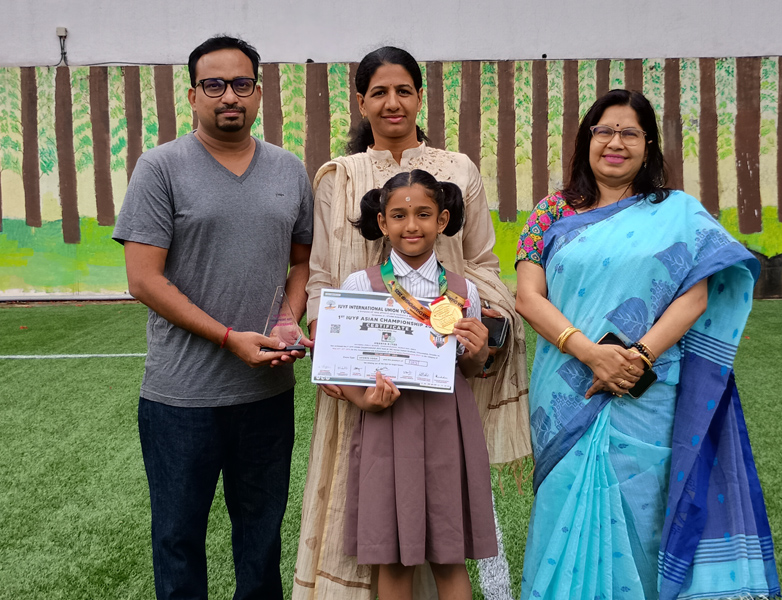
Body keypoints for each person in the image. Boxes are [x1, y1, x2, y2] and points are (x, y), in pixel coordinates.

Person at [515, 89, 781, 600]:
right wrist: (590, 352)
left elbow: (696, 294)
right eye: (604, 131)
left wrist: (638, 357)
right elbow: (528, 296)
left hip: (645, 391)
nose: (615, 143)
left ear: (649, 144)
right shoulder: (551, 212)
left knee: (642, 517)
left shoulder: (677, 211)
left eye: (629, 133)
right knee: (560, 507)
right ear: (587, 139)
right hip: (569, 389)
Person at [294, 46, 528, 599]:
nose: (392, 102)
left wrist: (481, 336)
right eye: (379, 92)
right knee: (383, 536)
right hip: (369, 392)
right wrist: (336, 356)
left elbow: (484, 266)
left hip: (445, 394)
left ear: (420, 96)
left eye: (403, 90)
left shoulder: (458, 169)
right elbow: (322, 275)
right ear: (361, 102)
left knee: (447, 545)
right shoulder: (338, 177)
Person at [112, 35, 313, 599]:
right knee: (178, 541)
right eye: (215, 84)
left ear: (258, 92)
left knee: (261, 541)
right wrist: (228, 338)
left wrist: (288, 319)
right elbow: (143, 279)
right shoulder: (160, 168)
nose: (230, 96)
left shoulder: (288, 169)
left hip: (266, 394)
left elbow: (302, 262)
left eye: (242, 84)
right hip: (181, 399)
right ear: (193, 95)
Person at [340, 169, 498, 600]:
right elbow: (342, 367)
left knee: (449, 555)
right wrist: (366, 402)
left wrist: (479, 352)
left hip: (449, 426)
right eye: (399, 216)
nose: (412, 226)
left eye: (424, 214)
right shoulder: (361, 285)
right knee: (393, 556)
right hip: (387, 424)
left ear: (442, 221)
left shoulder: (465, 291)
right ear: (382, 223)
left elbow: (469, 368)